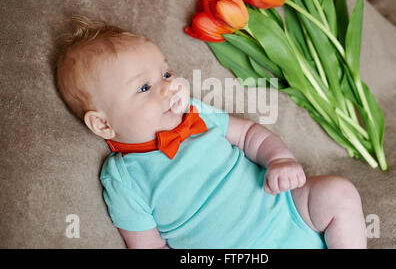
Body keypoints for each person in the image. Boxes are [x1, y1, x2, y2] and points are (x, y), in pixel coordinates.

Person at [55, 16, 367, 249]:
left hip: (288, 212)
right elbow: (149, 246)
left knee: (338, 193)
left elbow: (248, 136)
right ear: (103, 124)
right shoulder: (124, 178)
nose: (169, 86)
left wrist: (280, 160)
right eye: (145, 87)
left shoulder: (195, 112)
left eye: (166, 73)